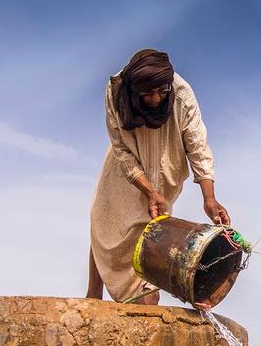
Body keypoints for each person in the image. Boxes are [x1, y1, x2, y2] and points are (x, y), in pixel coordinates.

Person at [87, 49, 230, 305]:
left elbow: (198, 147)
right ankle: (92, 296)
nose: (155, 99)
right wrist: (147, 189)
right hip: (125, 169)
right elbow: (120, 147)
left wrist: (209, 198)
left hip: (165, 169)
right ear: (134, 91)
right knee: (106, 227)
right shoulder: (116, 91)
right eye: (147, 94)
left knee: (153, 234)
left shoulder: (181, 95)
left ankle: (148, 297)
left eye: (162, 91)